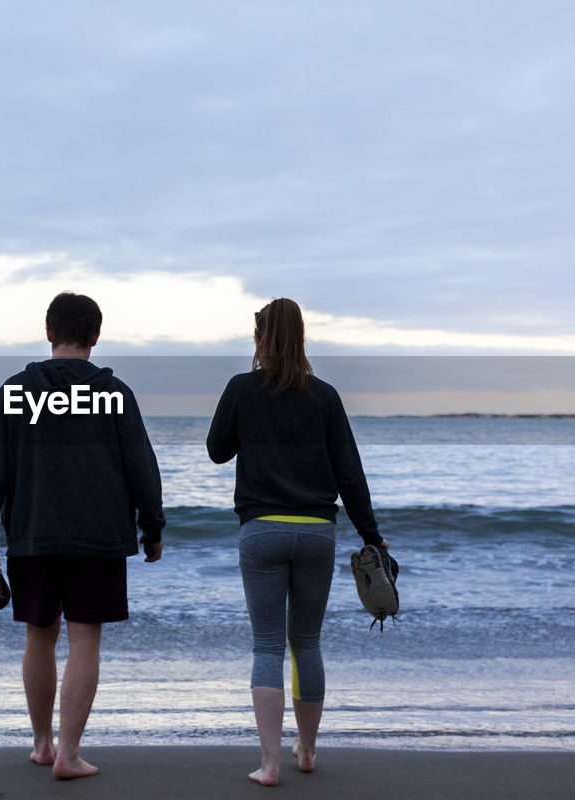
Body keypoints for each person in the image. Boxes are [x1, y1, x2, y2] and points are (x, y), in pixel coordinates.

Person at [0, 292, 165, 780]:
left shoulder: (13, 393)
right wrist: (152, 527)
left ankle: (42, 744)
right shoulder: (114, 395)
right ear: (95, 337)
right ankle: (69, 754)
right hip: (96, 536)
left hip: (33, 534)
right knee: (84, 640)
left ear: (49, 331)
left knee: (39, 635)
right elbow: (141, 465)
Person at [207, 297, 390, 786]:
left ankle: (269, 764)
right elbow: (350, 475)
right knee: (305, 643)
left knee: (267, 646)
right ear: (302, 338)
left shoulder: (242, 389)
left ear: (259, 340)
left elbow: (215, 451)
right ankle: (306, 752)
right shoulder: (325, 396)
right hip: (316, 533)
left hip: (262, 530)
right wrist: (373, 537)